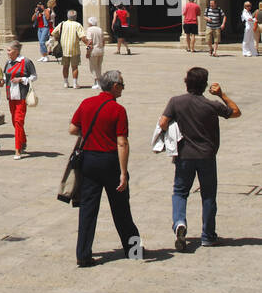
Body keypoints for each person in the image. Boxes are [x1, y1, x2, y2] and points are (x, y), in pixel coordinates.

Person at [158, 67, 240, 250]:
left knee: (180, 192)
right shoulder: (212, 105)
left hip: (184, 155)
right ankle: (208, 235)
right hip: (207, 156)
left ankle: (179, 222)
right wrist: (222, 94)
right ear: (205, 85)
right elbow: (235, 112)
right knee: (208, 195)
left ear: (186, 83)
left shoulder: (176, 102)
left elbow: (163, 122)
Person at [70, 69, 142, 267]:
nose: (123, 89)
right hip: (110, 162)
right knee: (122, 210)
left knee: (87, 210)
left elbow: (73, 129)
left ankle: (83, 255)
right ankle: (134, 251)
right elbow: (122, 143)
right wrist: (124, 173)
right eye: (122, 86)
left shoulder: (86, 103)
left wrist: (92, 134)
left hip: (89, 161)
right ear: (115, 86)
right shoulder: (118, 110)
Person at [3, 41, 37, 158]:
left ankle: (17, 149)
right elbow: (5, 76)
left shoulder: (26, 61)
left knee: (18, 121)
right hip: (11, 96)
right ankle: (23, 140)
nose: (7, 53)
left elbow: (34, 76)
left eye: (9, 50)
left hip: (21, 95)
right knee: (14, 121)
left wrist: (22, 79)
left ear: (16, 51)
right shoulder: (8, 63)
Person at [50, 10, 86, 88]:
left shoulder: (62, 24)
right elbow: (82, 36)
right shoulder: (78, 25)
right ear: (75, 17)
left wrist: (57, 38)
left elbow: (53, 33)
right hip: (74, 49)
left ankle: (66, 82)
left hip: (64, 48)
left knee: (65, 66)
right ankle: (75, 83)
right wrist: (88, 44)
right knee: (75, 67)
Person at [82, 17, 104, 88]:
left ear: (90, 23)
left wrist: (88, 52)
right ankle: (99, 82)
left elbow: (89, 42)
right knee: (99, 67)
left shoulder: (89, 30)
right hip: (100, 50)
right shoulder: (100, 29)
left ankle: (97, 83)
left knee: (93, 67)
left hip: (93, 50)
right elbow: (103, 42)